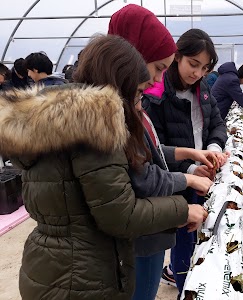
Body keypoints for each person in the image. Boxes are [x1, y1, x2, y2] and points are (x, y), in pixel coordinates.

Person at [0, 34, 207, 300]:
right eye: (138, 93)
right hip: (82, 278)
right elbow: (121, 214)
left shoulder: (58, 119)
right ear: (120, 84)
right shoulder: (94, 127)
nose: (140, 102)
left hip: (48, 266)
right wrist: (184, 209)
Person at [108, 5, 220, 300]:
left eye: (205, 68)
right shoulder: (112, 114)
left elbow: (151, 152)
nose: (158, 79)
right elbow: (140, 179)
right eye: (158, 67)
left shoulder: (132, 102)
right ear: (131, 56)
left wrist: (194, 153)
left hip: (152, 225)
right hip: (141, 232)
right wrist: (188, 183)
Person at [142, 28, 228, 297]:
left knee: (198, 232)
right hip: (176, 180)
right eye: (193, 64)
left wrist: (213, 149)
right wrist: (192, 168)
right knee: (182, 236)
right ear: (177, 57)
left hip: (202, 173)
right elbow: (156, 151)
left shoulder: (202, 90)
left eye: (204, 67)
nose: (197, 73)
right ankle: (184, 286)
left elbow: (216, 123)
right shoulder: (156, 96)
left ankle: (193, 280)